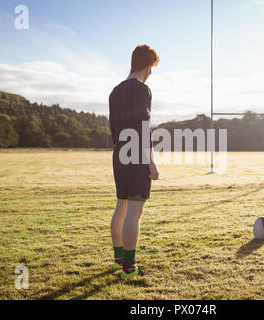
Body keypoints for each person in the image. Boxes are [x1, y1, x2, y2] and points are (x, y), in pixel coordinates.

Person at [108, 45, 160, 279]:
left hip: (119, 153)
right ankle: (130, 268)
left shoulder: (114, 92)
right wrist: (152, 162)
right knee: (134, 213)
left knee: (122, 206)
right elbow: (144, 127)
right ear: (148, 67)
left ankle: (120, 259)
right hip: (137, 153)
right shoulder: (143, 89)